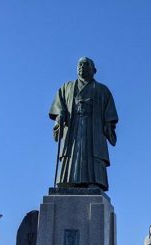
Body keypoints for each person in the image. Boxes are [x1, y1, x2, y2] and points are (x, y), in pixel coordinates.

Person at [49, 57, 118, 191]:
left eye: (86, 65)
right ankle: (69, 180)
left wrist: (108, 125)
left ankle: (94, 181)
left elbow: (110, 113)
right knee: (72, 154)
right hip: (73, 129)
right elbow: (58, 106)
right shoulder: (66, 87)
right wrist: (60, 115)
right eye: (79, 65)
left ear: (94, 70)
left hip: (94, 129)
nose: (81, 67)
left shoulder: (102, 90)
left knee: (92, 153)